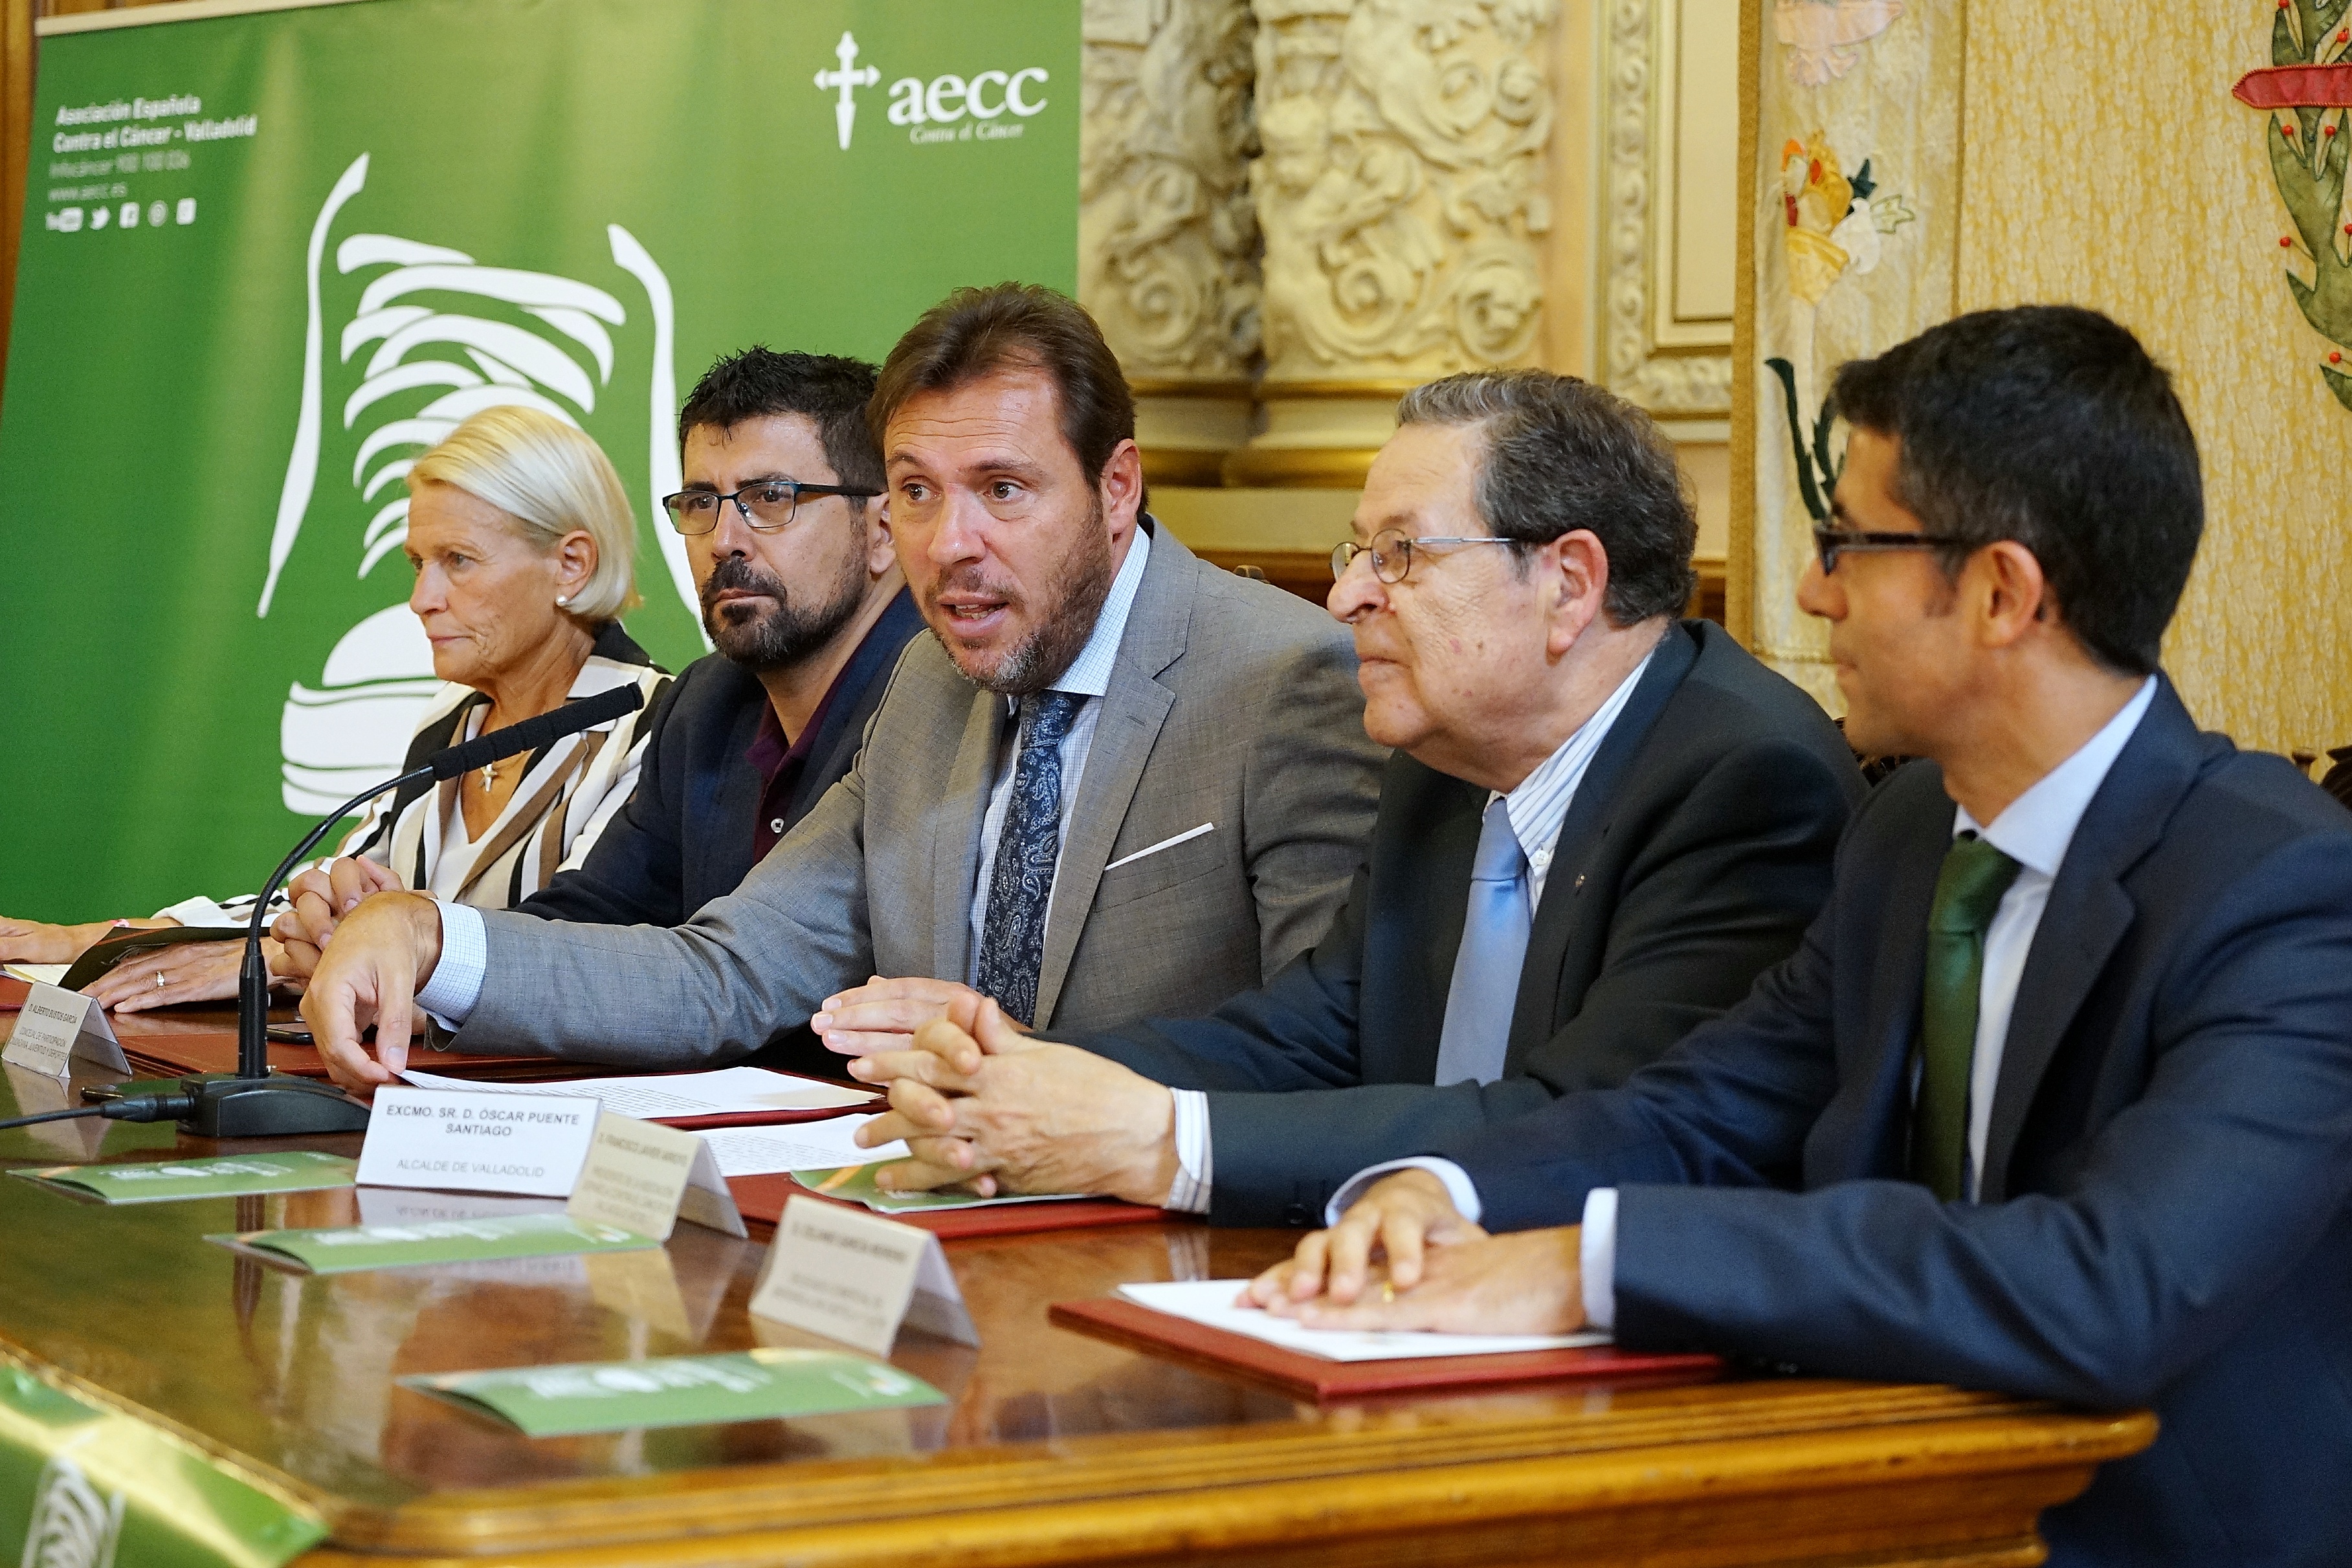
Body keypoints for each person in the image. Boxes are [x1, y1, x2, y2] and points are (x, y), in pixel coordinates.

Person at [1243, 307, 2352, 1566]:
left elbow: (2107, 1284)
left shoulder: (2283, 889)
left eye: (1846, 546)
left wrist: (1586, 1264)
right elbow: (1705, 1104)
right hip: (1866, 1486)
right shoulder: (1906, 830)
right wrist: (1447, 1190)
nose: (1812, 591)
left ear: (1999, 592)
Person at [296, 283, 1386, 1100]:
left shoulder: (1281, 677)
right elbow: (727, 971)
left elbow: (1333, 1049)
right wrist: (432, 938)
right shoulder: (930, 684)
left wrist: (1029, 1068)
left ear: (1115, 487)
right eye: (916, 491)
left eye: (1002, 490)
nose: (949, 543)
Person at [834, 369, 1863, 1222]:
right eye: (1357, 551)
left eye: (1399, 554)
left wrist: (1158, 1139)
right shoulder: (1440, 765)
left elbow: (1587, 1128)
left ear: (1568, 583)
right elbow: (1311, 1035)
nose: (1345, 595)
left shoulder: (1743, 780)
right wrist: (1018, 1071)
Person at [271, 350, 926, 1052]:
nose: (724, 541)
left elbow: (729, 979)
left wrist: (426, 940)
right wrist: (401, 946)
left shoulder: (941, 709)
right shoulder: (707, 705)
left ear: (883, 529)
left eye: (771, 499)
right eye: (701, 503)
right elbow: (589, 921)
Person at [0, 404, 667, 1012]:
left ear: (571, 564)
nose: (422, 598)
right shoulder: (453, 719)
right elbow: (315, 904)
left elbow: (566, 949)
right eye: (418, 562)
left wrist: (287, 960)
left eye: (458, 560)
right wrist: (110, 937)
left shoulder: (653, 725)